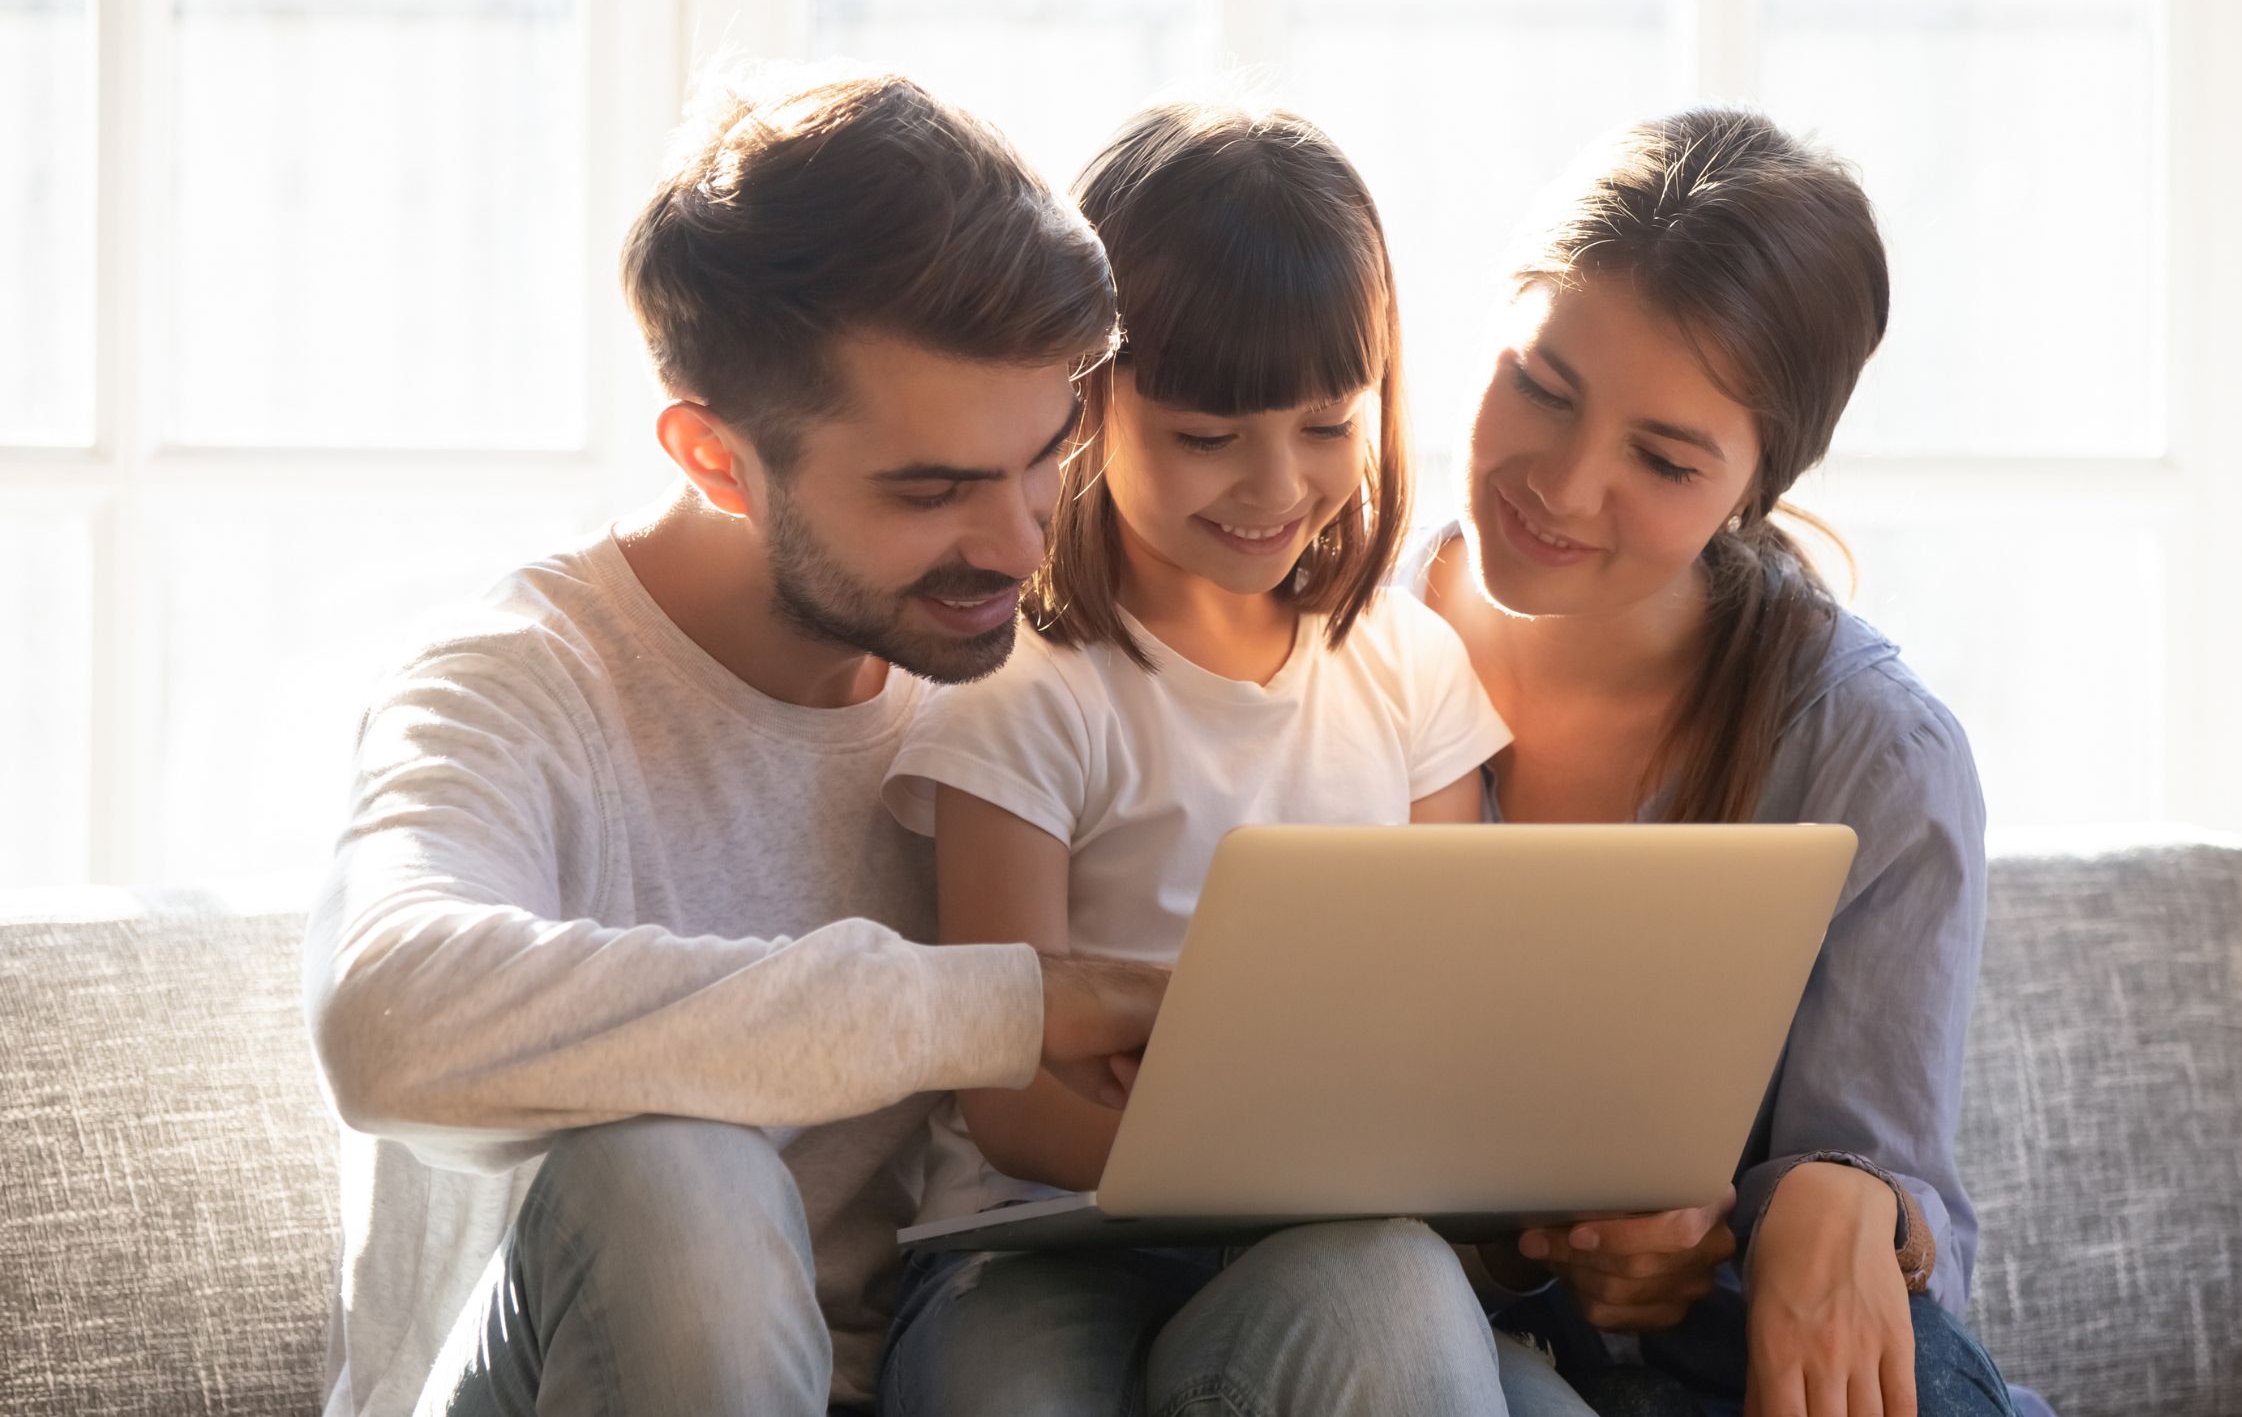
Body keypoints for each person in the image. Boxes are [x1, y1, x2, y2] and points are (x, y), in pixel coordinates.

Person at [302, 71, 1169, 1417]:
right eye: (930, 488)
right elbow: (386, 1015)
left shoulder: (1008, 701)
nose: (1016, 542)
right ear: (714, 456)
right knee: (680, 1177)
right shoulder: (515, 681)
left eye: (1047, 452)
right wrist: (1013, 1004)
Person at [872, 101, 1592, 1416]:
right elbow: (1013, 1096)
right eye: (1209, 436)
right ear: (1080, 402)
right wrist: (1295, 1152)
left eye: (1329, 424)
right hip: (1038, 1242)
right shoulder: (1027, 686)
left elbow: (1453, 1010)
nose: (1274, 485)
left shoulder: (1407, 664)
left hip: (1328, 1241)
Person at [1415, 108, 2039, 1417]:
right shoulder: (1333, 657)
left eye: (1662, 457)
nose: (1565, 485)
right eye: (1541, 382)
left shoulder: (1871, 748)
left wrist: (1826, 1193)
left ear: (1754, 489)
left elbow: (1902, 1219)